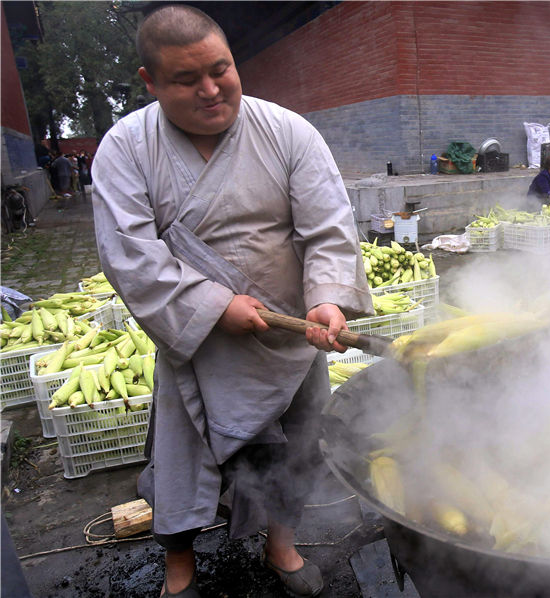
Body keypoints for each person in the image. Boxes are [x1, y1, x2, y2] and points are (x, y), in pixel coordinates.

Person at [90, 5, 373, 598]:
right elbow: (130, 254)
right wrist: (216, 306)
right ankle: (180, 569)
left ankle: (282, 545)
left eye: (221, 69)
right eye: (186, 79)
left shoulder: (288, 131)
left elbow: (328, 229)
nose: (211, 89)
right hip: (198, 339)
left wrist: (327, 299)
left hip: (291, 336)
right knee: (182, 462)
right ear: (149, 81)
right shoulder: (126, 148)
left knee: (298, 449)